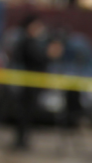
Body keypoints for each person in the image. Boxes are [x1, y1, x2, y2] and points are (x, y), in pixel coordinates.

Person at [12, 15, 59, 150]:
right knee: (24, 114)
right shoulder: (27, 42)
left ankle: (23, 140)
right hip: (27, 84)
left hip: (33, 84)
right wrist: (49, 54)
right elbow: (37, 59)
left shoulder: (35, 42)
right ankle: (21, 141)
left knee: (28, 114)